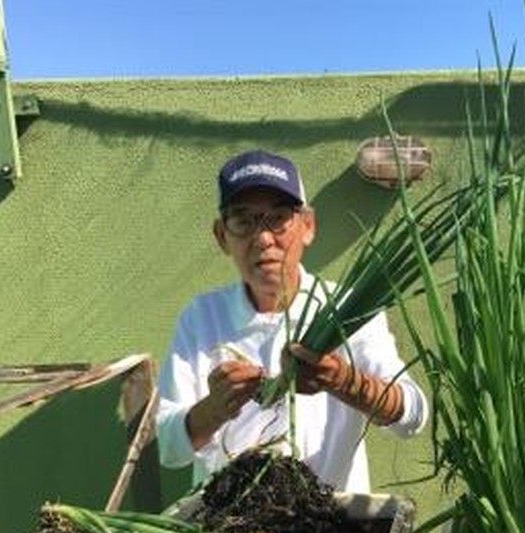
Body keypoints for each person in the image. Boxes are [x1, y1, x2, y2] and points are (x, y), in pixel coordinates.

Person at [156, 149, 428, 493]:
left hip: (330, 517)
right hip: (228, 519)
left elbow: (412, 415)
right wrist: (215, 407)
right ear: (222, 236)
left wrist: (341, 380)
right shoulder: (201, 317)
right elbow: (168, 448)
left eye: (278, 218)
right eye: (243, 221)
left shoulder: (347, 309)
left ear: (307, 226)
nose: (263, 238)